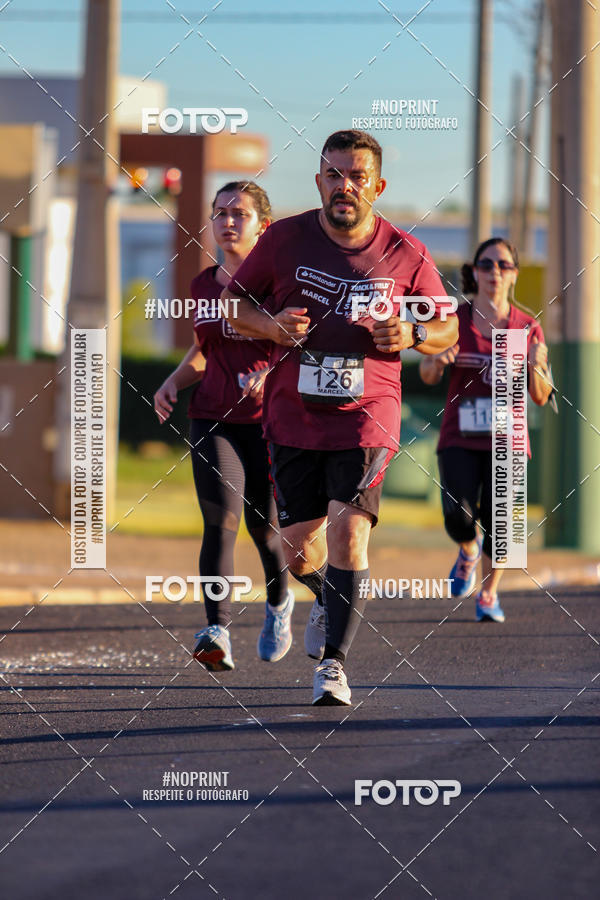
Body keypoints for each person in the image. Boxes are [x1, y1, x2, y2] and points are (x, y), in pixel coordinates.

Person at [223, 130, 458, 705]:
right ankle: (330, 598)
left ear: (377, 186)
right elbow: (233, 305)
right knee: (297, 547)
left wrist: (414, 332)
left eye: (356, 177)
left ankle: (333, 666)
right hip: (294, 415)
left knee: (351, 534)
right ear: (319, 183)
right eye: (333, 175)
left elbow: (447, 326)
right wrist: (272, 326)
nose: (344, 187)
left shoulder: (406, 252)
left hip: (368, 414)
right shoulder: (283, 240)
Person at [153, 181, 292, 672]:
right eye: (220, 213)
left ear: (263, 226)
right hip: (213, 417)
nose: (227, 221)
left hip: (272, 425)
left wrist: (270, 373)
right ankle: (217, 630)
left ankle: (279, 606)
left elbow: (302, 348)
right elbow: (203, 348)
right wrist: (173, 380)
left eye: (239, 213)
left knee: (267, 531)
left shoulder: (280, 287)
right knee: (221, 522)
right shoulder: (202, 285)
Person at [420, 237, 553, 622]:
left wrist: (534, 365)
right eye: (487, 264)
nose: (495, 272)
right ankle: (467, 549)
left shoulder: (528, 326)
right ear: (474, 272)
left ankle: (489, 594)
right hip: (460, 435)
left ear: (514, 275)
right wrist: (439, 360)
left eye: (503, 265)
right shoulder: (453, 321)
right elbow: (427, 374)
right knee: (458, 517)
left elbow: (542, 396)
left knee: (505, 530)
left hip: (508, 438)